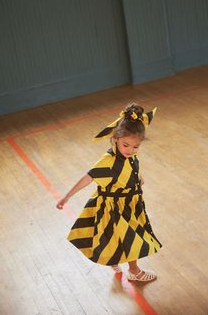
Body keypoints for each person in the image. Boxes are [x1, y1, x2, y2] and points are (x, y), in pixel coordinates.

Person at [56, 103, 162, 282]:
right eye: (126, 145)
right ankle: (134, 271)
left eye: (135, 147)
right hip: (113, 208)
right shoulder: (108, 162)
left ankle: (114, 257)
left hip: (129, 204)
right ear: (115, 138)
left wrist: (139, 177)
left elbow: (132, 164)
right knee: (131, 239)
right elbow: (87, 178)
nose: (130, 150)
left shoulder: (130, 155)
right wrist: (67, 197)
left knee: (119, 237)